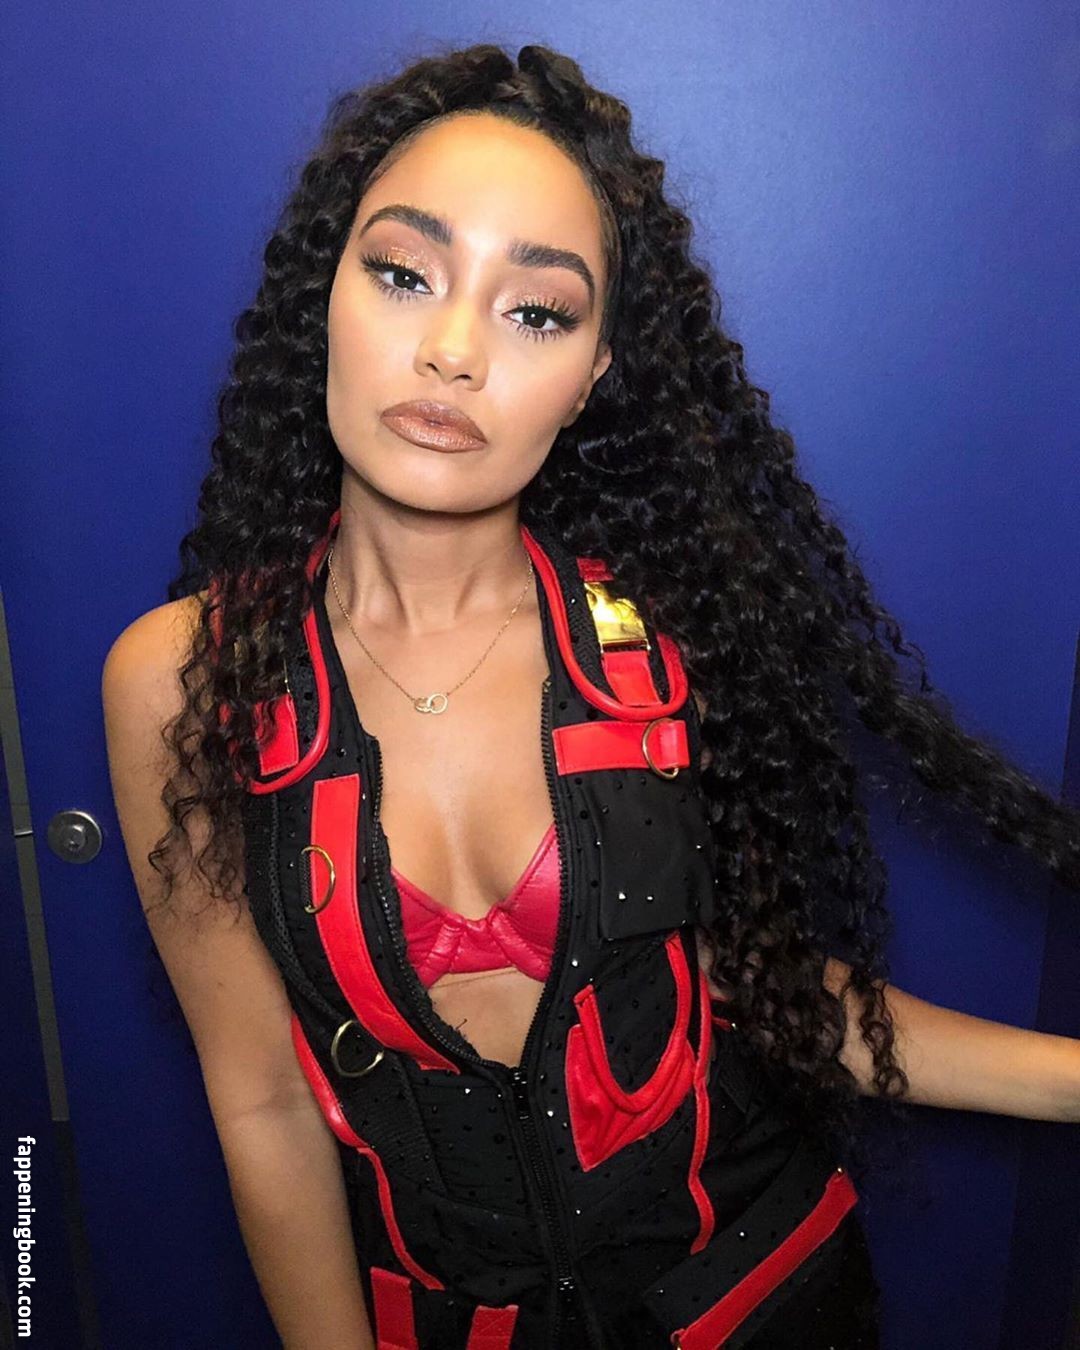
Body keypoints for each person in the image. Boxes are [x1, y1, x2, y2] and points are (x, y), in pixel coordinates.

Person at [101, 43, 1080, 1349]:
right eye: (404, 273)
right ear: (322, 294)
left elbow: (761, 988)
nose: (452, 350)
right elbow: (264, 1101)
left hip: (763, 1299)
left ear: (594, 372)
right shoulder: (182, 680)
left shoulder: (658, 647)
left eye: (536, 312)